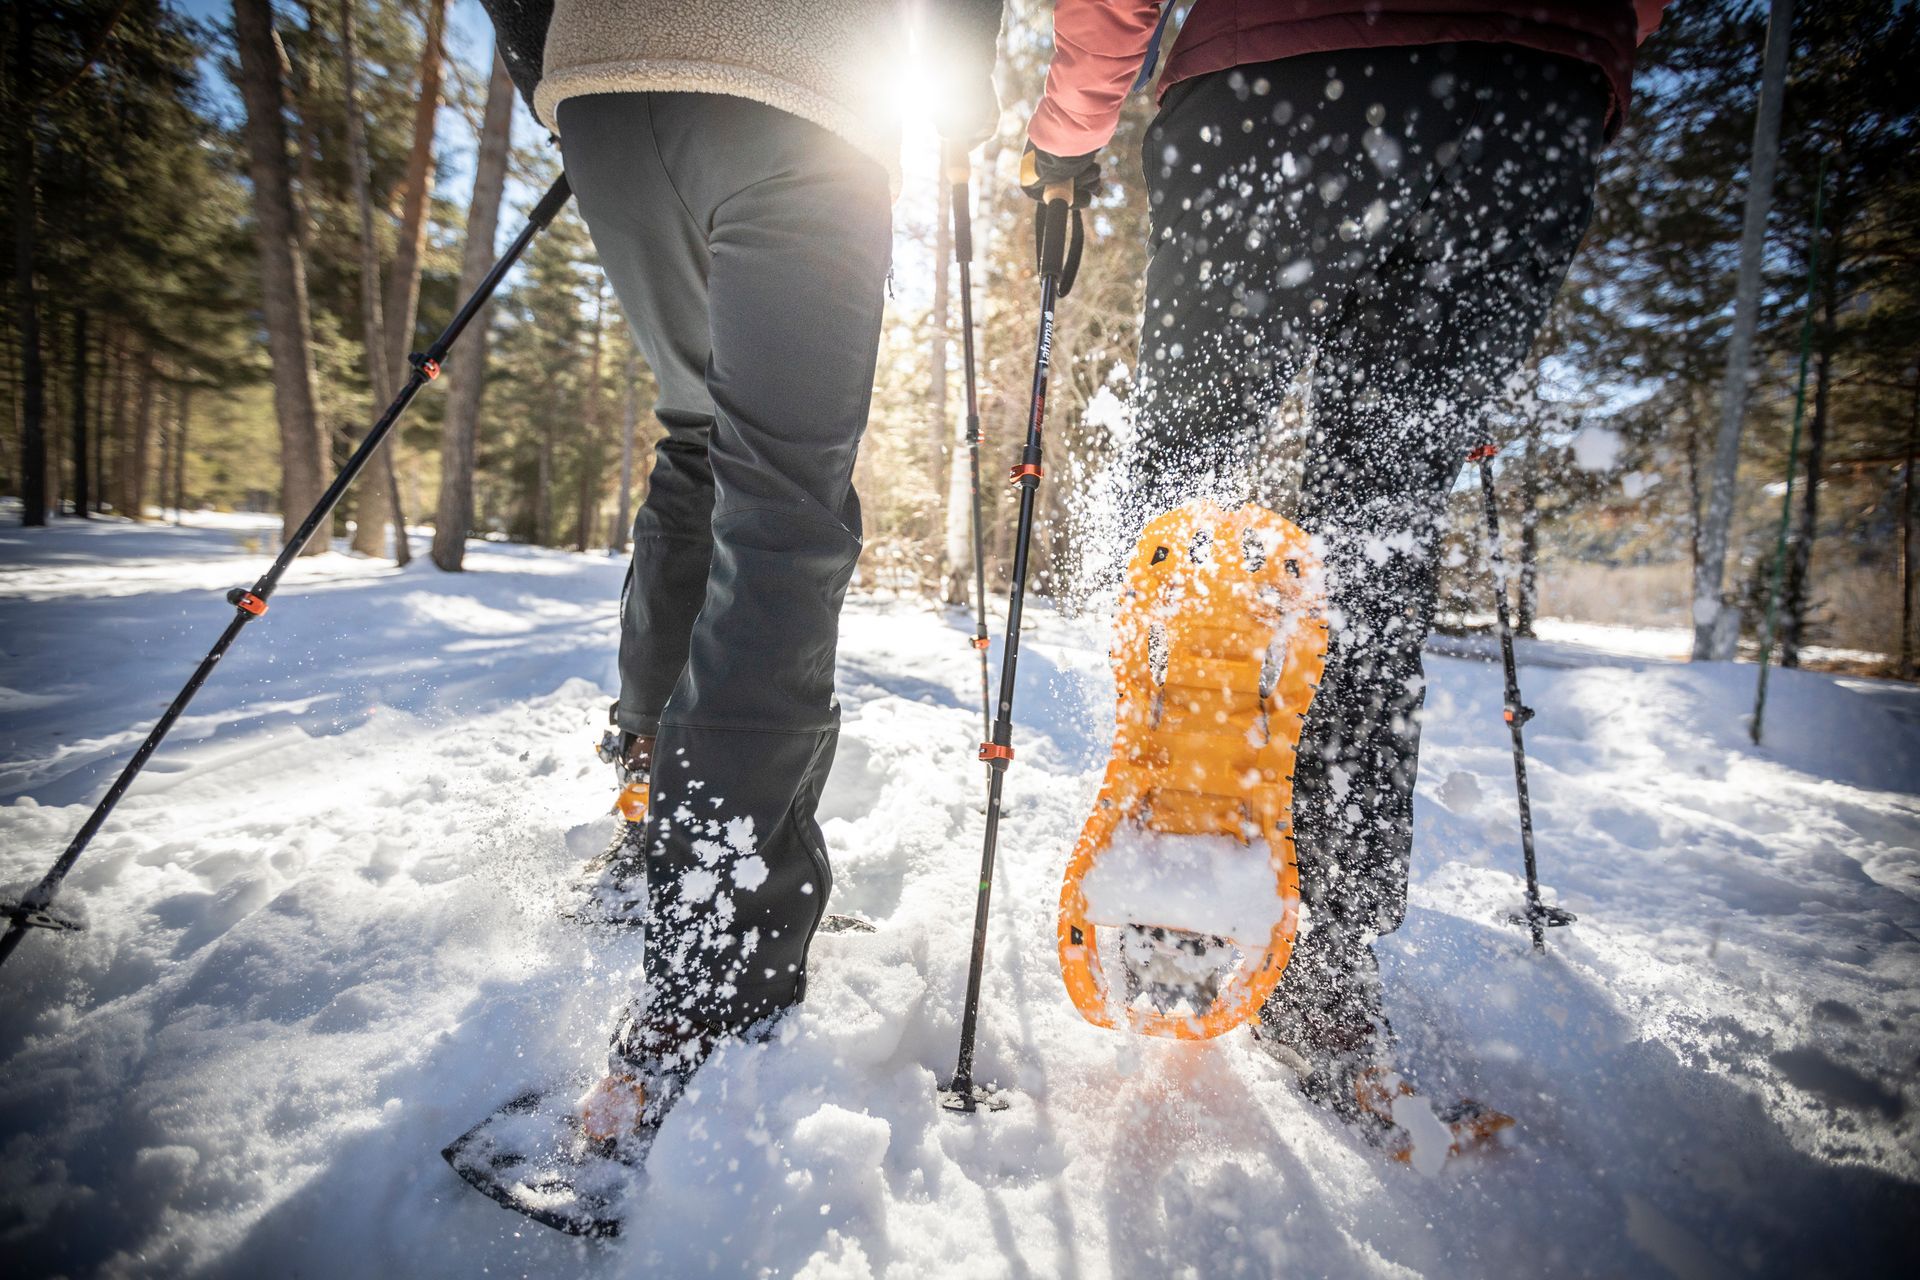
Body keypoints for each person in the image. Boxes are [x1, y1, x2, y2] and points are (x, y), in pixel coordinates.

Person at [1022, 1, 1668, 1128]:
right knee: (1375, 537)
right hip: (1522, 98)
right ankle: (1319, 965)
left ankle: (1174, 858)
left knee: (1189, 504)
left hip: (1274, 83)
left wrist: (1071, 129)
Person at [480, 0, 1003, 1146]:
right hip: (795, 83)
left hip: (604, 87)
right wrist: (963, 93)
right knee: (781, 501)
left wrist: (561, 76)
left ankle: (650, 814)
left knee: (700, 440)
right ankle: (719, 953)